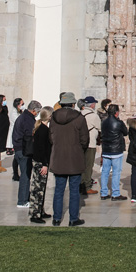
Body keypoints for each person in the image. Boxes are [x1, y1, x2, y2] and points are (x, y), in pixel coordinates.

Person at [48, 92, 89, 226]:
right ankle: (73, 218)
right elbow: (84, 139)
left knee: (59, 190)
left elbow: (51, 137)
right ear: (73, 104)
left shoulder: (53, 117)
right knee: (74, 190)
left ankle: (56, 218)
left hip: (58, 157)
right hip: (74, 158)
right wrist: (77, 149)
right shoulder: (79, 117)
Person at [12, 100, 41, 208]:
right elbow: (30, 134)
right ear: (34, 111)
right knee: (25, 175)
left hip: (20, 149)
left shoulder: (24, 117)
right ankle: (22, 201)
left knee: (25, 174)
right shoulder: (27, 119)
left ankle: (24, 198)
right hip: (23, 150)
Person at [28, 107, 53, 223]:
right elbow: (42, 149)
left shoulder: (41, 128)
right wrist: (44, 164)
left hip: (39, 161)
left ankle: (39, 210)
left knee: (40, 188)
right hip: (40, 162)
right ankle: (35, 214)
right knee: (38, 189)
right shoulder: (43, 130)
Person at [100, 103, 128, 201]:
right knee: (116, 172)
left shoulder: (104, 122)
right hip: (116, 150)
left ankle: (103, 193)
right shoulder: (118, 122)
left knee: (105, 172)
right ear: (116, 113)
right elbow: (126, 132)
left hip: (106, 149)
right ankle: (115, 193)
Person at [78, 96, 102, 196]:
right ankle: (87, 186)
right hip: (90, 143)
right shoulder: (94, 116)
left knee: (80, 165)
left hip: (79, 143)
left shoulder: (79, 114)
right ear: (92, 105)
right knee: (88, 165)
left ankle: (80, 184)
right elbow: (100, 128)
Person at [8, 98, 24, 179]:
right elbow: (19, 121)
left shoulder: (19, 112)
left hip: (19, 135)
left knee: (17, 156)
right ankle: (15, 174)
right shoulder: (14, 113)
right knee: (16, 157)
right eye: (22, 104)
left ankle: (17, 173)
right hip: (15, 136)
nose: (23, 106)